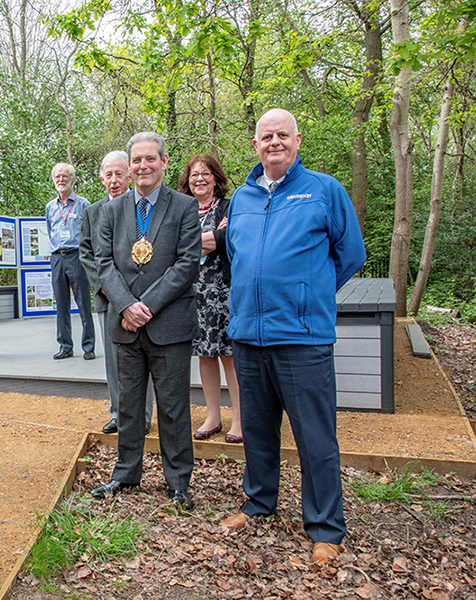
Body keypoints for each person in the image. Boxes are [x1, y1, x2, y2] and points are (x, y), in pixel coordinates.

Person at [219, 109, 366, 566]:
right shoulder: (240, 198)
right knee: (259, 432)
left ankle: (325, 527)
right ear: (256, 143)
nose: (275, 142)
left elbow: (351, 255)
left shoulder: (323, 190)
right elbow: (233, 257)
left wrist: (309, 294)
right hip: (248, 336)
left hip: (302, 339)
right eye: (267, 136)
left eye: (283, 134)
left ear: (297, 140)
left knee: (315, 438)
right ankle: (258, 503)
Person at [90, 132, 201, 507]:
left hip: (168, 323)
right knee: (129, 406)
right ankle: (125, 474)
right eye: (136, 160)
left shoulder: (185, 207)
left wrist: (146, 305)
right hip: (125, 326)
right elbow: (103, 263)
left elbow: (187, 263)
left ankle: (178, 482)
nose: (142, 166)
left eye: (150, 159)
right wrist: (125, 305)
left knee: (173, 407)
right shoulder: (111, 210)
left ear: (164, 162)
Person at [79, 151, 154, 435]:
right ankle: (118, 414)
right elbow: (86, 253)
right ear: (102, 179)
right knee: (113, 361)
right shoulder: (93, 212)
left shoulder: (143, 208)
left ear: (130, 175)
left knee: (142, 357)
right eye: (108, 175)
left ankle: (142, 418)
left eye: (119, 174)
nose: (114, 181)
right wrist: (106, 289)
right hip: (107, 299)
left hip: (139, 300)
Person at [176, 155, 242, 443]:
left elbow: (229, 240)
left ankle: (239, 419)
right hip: (193, 293)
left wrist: (212, 239)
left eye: (205, 173)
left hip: (224, 291)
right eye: (193, 175)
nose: (199, 179)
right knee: (204, 355)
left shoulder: (231, 207)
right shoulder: (182, 211)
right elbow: (173, 247)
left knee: (229, 355)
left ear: (216, 177)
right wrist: (212, 237)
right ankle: (213, 416)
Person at [45, 163, 95, 360]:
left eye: (65, 176)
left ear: (72, 179)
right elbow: (50, 231)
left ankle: (89, 346)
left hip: (77, 257)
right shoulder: (50, 206)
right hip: (57, 257)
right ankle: (65, 346)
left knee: (83, 302)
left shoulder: (83, 204)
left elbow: (90, 232)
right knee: (61, 305)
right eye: (57, 176)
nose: (61, 180)